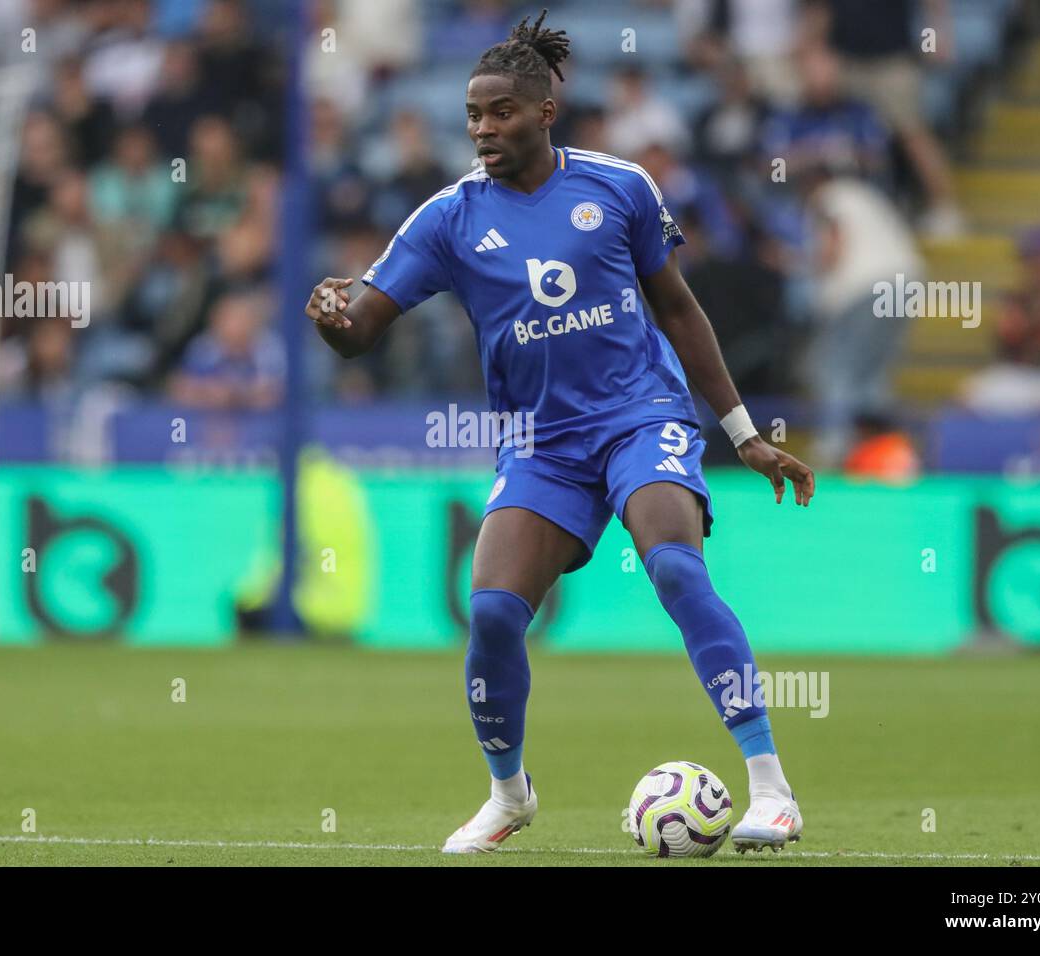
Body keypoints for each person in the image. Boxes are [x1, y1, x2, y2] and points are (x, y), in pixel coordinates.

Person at [306, 11, 815, 855]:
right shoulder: (448, 218)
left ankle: (772, 788)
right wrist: (329, 316)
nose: (482, 130)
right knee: (495, 615)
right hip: (541, 444)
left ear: (546, 110)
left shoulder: (619, 188)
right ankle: (509, 794)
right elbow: (360, 325)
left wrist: (744, 434)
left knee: (677, 569)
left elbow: (679, 311)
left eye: (500, 112)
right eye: (473, 115)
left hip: (640, 416)